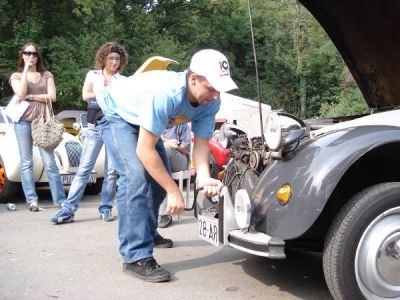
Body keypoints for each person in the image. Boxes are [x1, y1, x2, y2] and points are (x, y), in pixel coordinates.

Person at [95, 49, 238, 282]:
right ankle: (135, 256)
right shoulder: (168, 93)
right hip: (116, 114)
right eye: (211, 88)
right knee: (136, 176)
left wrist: (203, 177)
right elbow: (144, 149)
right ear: (194, 79)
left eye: (219, 89)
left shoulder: (211, 102)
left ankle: (147, 234)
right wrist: (175, 190)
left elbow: (201, 145)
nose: (215, 96)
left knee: (159, 184)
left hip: (142, 119)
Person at [50, 42, 128, 224]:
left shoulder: (122, 80)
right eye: (111, 58)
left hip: (114, 126)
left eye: (117, 58)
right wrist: (103, 92)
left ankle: (106, 207)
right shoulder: (93, 75)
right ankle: (68, 210)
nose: (114, 62)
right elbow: (85, 95)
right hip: (95, 126)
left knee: (111, 171)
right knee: (84, 169)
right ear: (103, 59)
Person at [9, 43, 66, 211]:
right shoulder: (16, 75)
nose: (31, 56)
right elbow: (20, 94)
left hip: (43, 122)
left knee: (50, 162)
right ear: (22, 56)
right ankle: (32, 200)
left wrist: (31, 96)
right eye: (27, 53)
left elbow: (52, 96)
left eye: (34, 53)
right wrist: (26, 70)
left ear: (38, 56)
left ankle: (60, 199)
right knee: (26, 161)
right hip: (23, 121)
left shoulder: (46, 74)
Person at [158, 123, 191, 228]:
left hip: (180, 160)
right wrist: (167, 142)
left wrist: (175, 145)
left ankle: (164, 213)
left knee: (165, 149)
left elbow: (186, 149)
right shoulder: (157, 122)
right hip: (161, 160)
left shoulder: (182, 125)